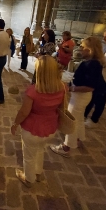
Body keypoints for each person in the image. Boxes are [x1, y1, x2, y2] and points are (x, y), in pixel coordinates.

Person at [11, 56, 65, 187]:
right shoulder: (62, 87)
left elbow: (24, 112)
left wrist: (15, 124)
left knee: (29, 154)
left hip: (32, 128)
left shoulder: (33, 91)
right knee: (40, 150)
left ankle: (29, 179)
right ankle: (38, 173)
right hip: (50, 126)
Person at [50, 36, 105, 157]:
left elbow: (90, 86)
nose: (80, 49)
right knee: (79, 119)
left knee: (71, 122)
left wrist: (70, 88)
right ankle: (78, 139)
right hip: (80, 96)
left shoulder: (93, 64)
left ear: (90, 49)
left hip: (81, 97)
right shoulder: (92, 63)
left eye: (83, 47)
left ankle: (66, 147)